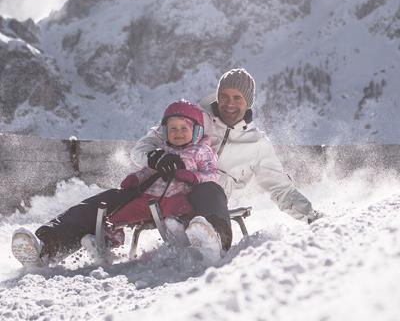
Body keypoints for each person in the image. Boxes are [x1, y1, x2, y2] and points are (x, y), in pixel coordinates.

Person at [131, 68, 322, 258]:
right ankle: (106, 234)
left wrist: (311, 216)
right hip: (168, 191)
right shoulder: (195, 118)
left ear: (248, 102)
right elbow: (142, 148)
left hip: (209, 203)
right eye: (224, 96)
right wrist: (154, 157)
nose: (229, 103)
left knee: (209, 189)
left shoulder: (257, 144)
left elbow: (281, 189)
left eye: (237, 97)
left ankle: (216, 240)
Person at [11, 100, 221, 267]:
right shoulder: (164, 143)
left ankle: (205, 242)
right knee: (109, 209)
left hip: (198, 198)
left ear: (196, 132)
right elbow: (141, 154)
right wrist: (147, 165)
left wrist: (194, 178)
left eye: (183, 129)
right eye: (172, 129)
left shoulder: (204, 150)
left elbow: (212, 174)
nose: (178, 133)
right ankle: (50, 247)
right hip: (150, 195)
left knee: (184, 212)